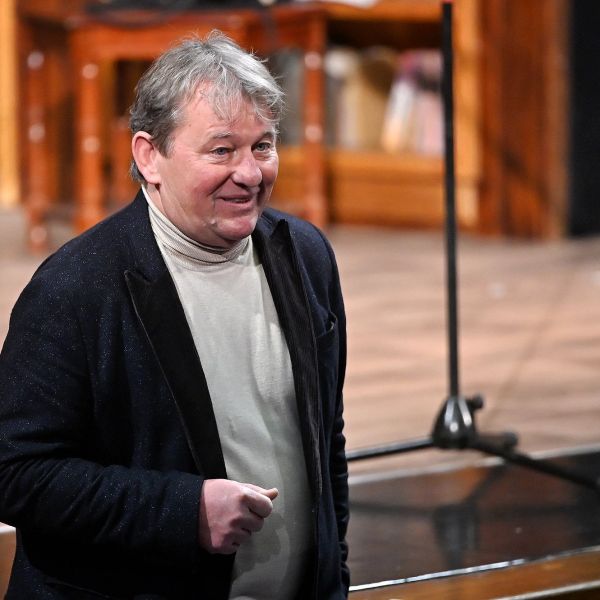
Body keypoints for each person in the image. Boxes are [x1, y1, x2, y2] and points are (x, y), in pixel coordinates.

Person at [0, 32, 349, 599]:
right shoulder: (74, 288)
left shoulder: (306, 255)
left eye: (263, 146)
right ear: (149, 157)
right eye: (222, 150)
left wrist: (334, 580)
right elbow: (16, 473)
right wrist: (183, 511)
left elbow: (325, 440)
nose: (250, 173)